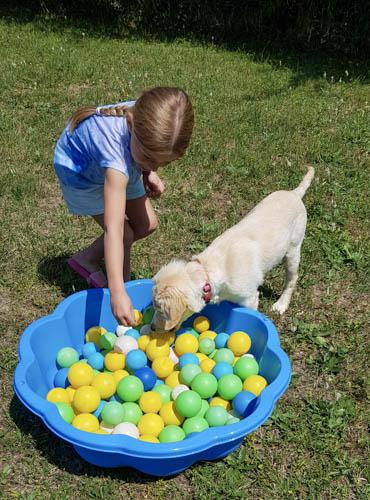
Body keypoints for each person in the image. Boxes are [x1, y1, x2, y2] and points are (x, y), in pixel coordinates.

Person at [54, 86, 194, 326]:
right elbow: (114, 229)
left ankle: (86, 259)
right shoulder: (117, 161)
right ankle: (120, 286)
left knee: (147, 224)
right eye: (151, 158)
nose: (158, 167)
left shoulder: (148, 118)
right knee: (124, 234)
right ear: (131, 126)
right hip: (80, 174)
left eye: (164, 163)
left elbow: (143, 153)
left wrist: (147, 170)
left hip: (120, 161)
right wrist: (117, 293)